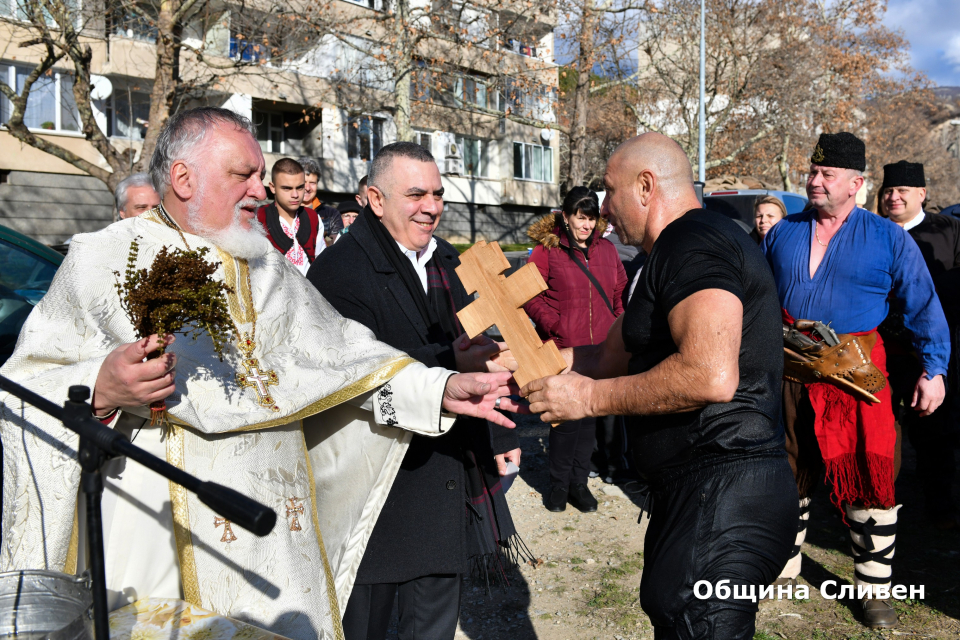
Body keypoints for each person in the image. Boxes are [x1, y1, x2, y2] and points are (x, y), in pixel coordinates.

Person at [0, 107, 523, 640]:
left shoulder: (269, 270)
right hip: (162, 531)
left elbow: (345, 357)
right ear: (183, 178)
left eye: (260, 174)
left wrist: (439, 387)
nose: (260, 189)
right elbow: (23, 383)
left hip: (274, 534)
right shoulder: (102, 260)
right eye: (242, 174)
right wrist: (103, 388)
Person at [522, 132, 797, 639]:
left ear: (646, 186)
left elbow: (709, 375)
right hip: (699, 491)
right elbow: (608, 356)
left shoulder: (694, 241)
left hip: (726, 489)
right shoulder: (664, 255)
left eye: (610, 191)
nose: (603, 208)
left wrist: (586, 399)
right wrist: (520, 362)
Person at [308, 142, 524, 640]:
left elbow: (476, 353)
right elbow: (350, 378)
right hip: (378, 491)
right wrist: (450, 366)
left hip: (444, 477)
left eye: (437, 194)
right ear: (374, 199)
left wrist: (495, 439)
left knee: (432, 627)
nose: (431, 206)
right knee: (362, 628)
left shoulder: (450, 260)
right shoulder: (337, 274)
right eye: (415, 194)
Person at [762, 134, 949, 629]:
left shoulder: (889, 237)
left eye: (826, 175)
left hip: (858, 377)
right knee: (787, 472)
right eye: (812, 172)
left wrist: (935, 370)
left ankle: (873, 588)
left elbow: (924, 307)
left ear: (856, 183)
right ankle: (783, 568)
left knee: (871, 477)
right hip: (791, 372)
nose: (814, 181)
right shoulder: (782, 233)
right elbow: (756, 301)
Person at [525, 187, 626, 511]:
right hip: (564, 351)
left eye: (591, 219)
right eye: (580, 218)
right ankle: (558, 485)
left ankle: (579, 485)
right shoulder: (547, 251)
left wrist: (619, 325)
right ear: (566, 217)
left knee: (589, 420)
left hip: (600, 351)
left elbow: (620, 292)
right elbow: (530, 294)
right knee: (565, 422)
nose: (585, 225)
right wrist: (554, 324)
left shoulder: (608, 251)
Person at [877, 160, 960, 530]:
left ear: (922, 194)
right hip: (879, 352)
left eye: (901, 192)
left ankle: (939, 508)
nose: (893, 198)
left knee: (934, 433)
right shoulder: (871, 232)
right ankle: (876, 503)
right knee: (879, 430)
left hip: (930, 354)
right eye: (888, 191)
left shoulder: (950, 230)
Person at [256, 158, 323, 275]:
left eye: (300, 187)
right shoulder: (258, 217)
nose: (295, 195)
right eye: (287, 188)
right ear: (272, 187)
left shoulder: (313, 218)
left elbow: (321, 262)